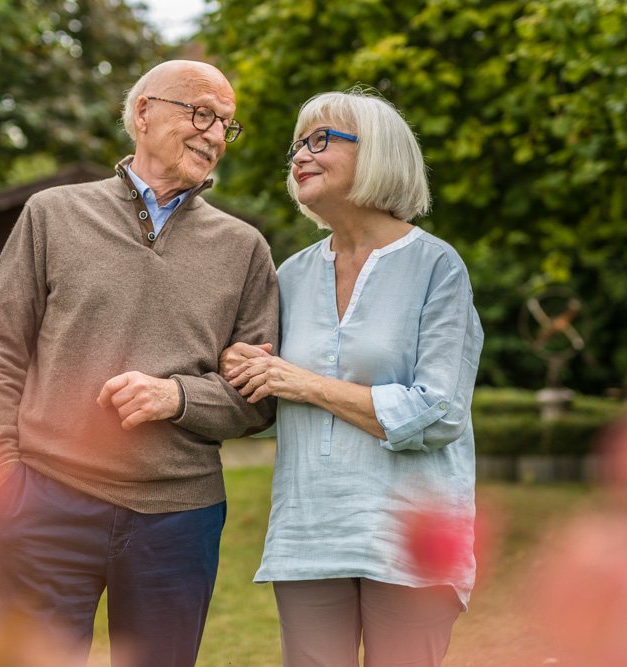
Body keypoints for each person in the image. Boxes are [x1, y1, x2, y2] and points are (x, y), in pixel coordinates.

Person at [0, 60, 279, 667]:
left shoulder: (245, 249)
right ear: (143, 113)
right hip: (46, 500)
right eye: (201, 113)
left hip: (179, 518)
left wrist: (178, 397)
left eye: (227, 124)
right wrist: (1, 473)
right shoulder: (51, 215)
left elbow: (259, 398)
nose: (216, 134)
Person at [222, 89, 483, 667]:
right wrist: (243, 368)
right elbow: (270, 393)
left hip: (411, 536)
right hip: (309, 532)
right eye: (297, 145)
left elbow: (439, 412)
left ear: (380, 153)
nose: (300, 156)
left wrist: (303, 383)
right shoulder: (289, 274)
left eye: (320, 140)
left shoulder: (437, 265)